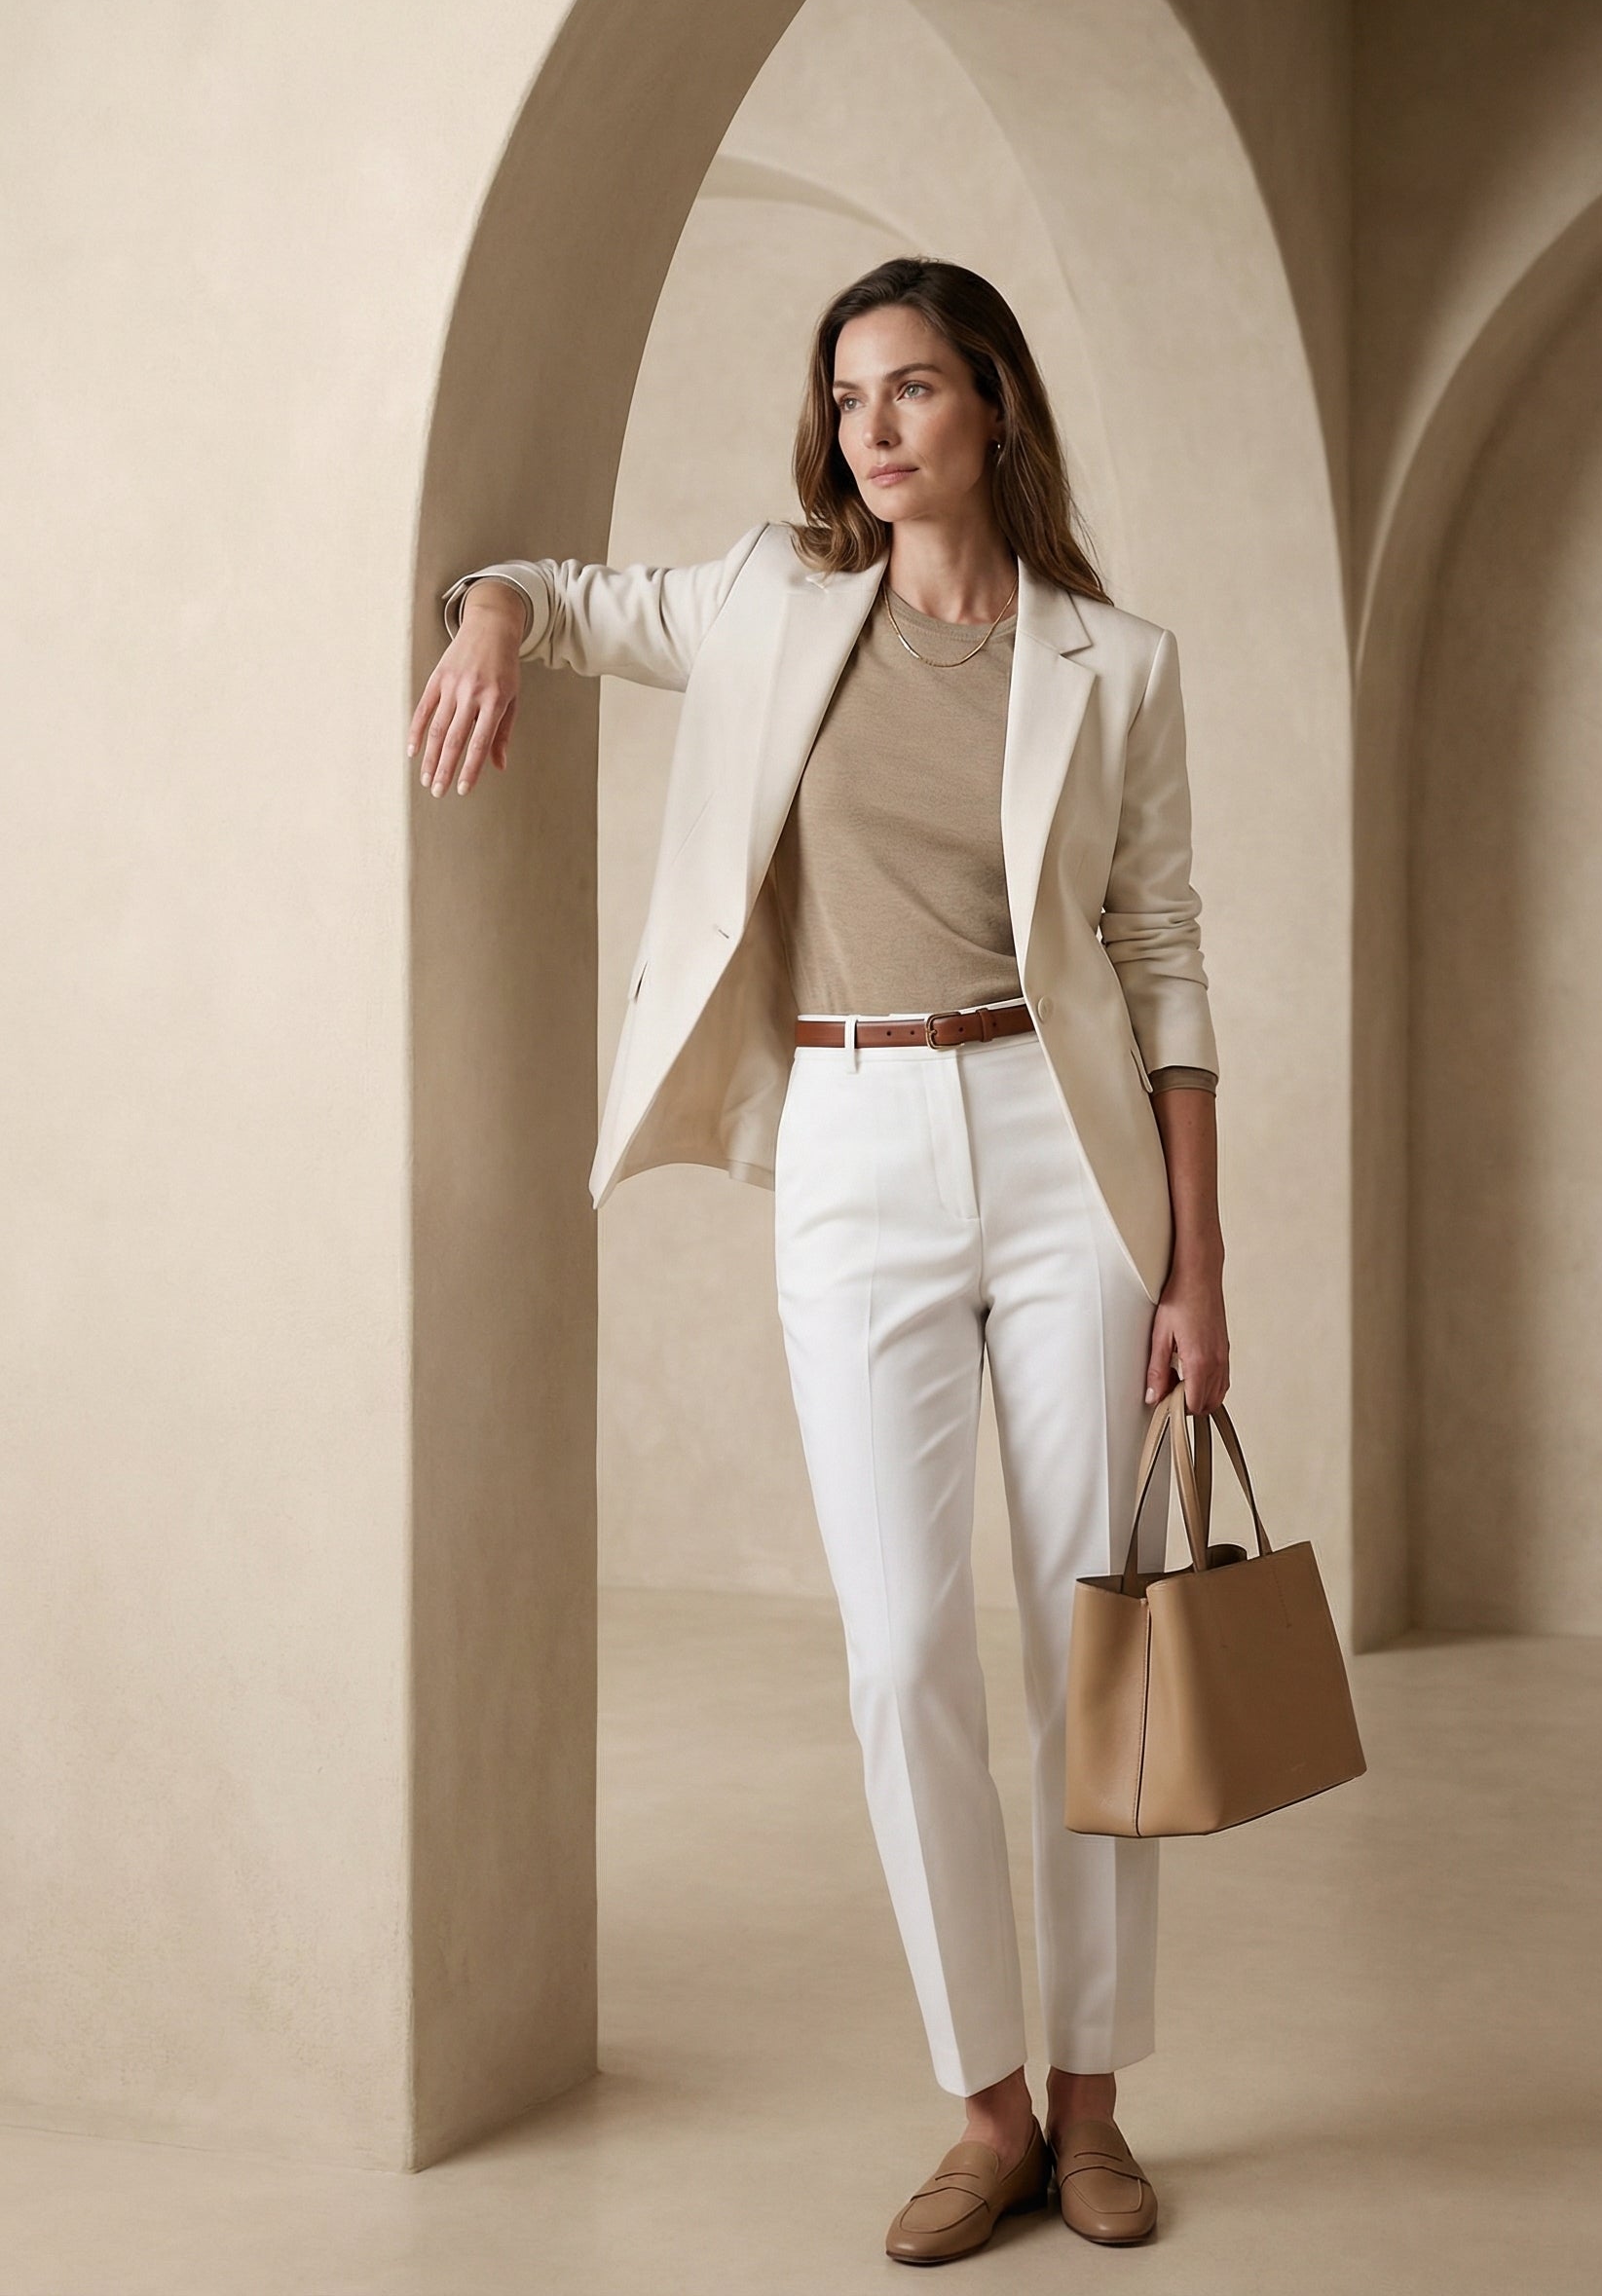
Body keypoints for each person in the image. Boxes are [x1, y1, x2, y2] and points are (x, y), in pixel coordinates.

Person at [411, 256, 1231, 2265]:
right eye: (850, 394)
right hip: (853, 1143)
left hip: (1064, 1154)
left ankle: (1097, 2104)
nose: (874, 426)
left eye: (915, 390)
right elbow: (566, 595)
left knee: (1090, 1643)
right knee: (894, 1655)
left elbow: (1161, 957)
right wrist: (491, 620)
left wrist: (1199, 1267)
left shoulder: (1109, 663)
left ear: (993, 413)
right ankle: (981, 2108)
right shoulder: (776, 599)